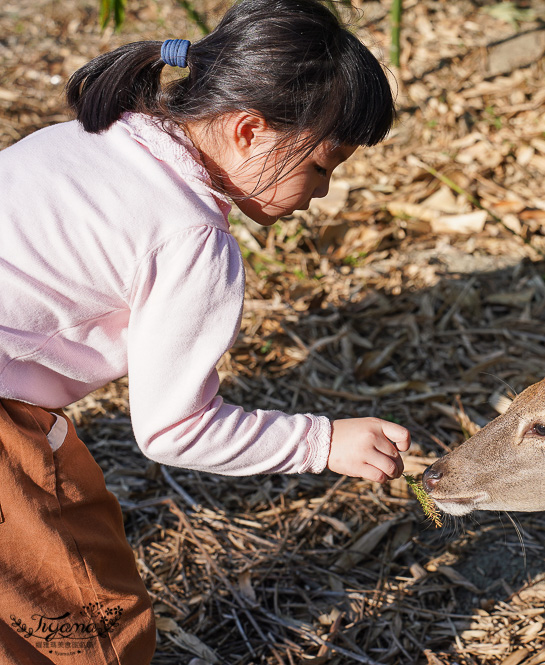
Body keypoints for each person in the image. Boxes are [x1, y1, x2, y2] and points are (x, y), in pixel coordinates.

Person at [0, 1, 409, 662]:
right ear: (249, 130)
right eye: (322, 167)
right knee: (87, 619)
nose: (323, 194)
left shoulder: (97, 134)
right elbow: (172, 428)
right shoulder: (192, 237)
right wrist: (323, 440)